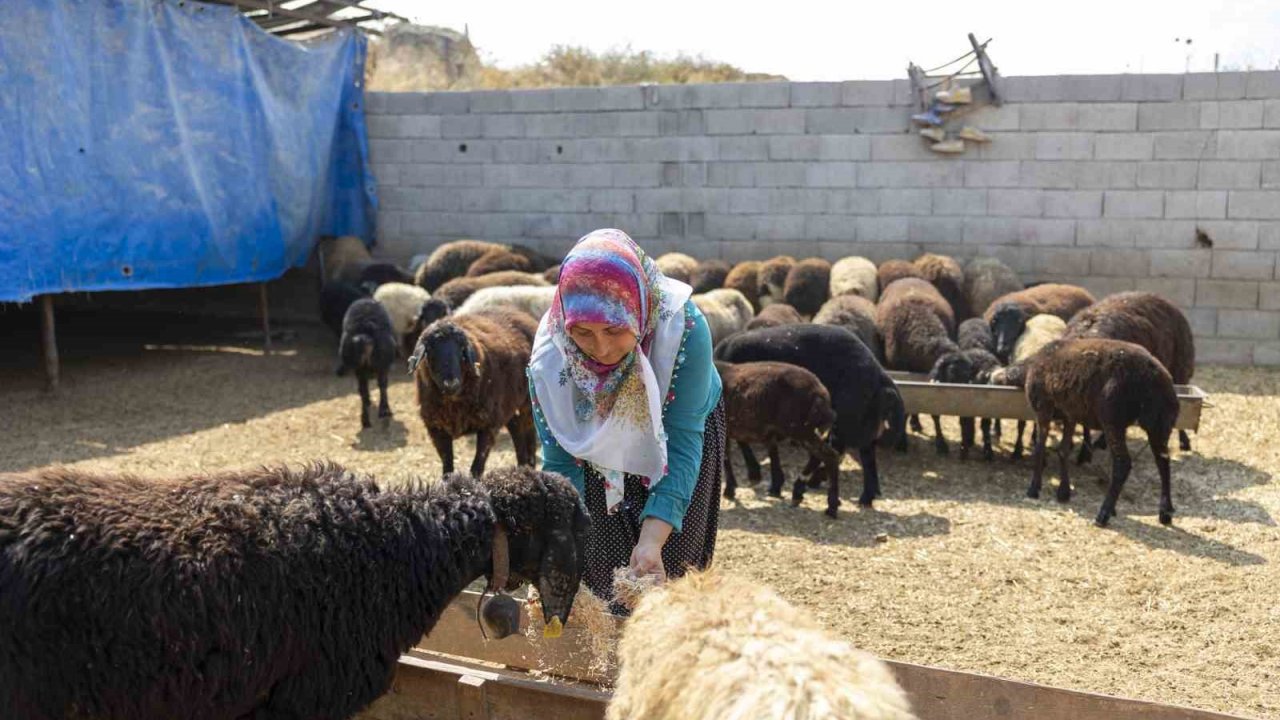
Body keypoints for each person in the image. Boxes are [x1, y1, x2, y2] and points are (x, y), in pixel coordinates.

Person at [526, 229, 724, 611]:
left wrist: (652, 540)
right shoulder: (551, 361)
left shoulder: (683, 331)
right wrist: (560, 544)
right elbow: (562, 461)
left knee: (669, 567)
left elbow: (683, 440)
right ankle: (606, 639)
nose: (601, 349)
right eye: (583, 332)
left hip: (674, 428)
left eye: (615, 330)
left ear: (639, 312)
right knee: (597, 559)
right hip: (591, 443)